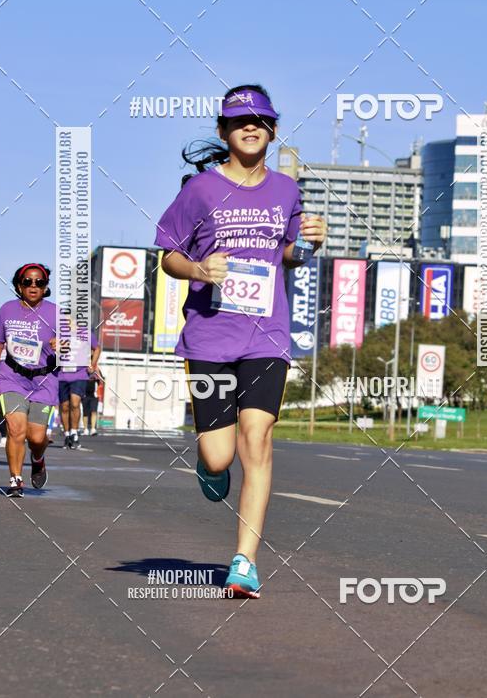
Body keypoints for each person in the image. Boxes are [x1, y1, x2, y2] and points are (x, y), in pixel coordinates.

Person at [155, 84, 326, 597]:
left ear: (272, 130)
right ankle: (210, 466)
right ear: (223, 131)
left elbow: (287, 256)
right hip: (209, 337)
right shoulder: (201, 191)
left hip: (267, 335)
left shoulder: (287, 190)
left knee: (259, 438)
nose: (251, 127)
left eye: (261, 120)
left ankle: (244, 562)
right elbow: (167, 256)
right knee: (217, 456)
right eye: (240, 120)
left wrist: (308, 244)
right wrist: (201, 270)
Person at [0, 264, 59, 497]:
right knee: (16, 429)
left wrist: (63, 348)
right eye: (27, 281)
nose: (33, 286)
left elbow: (74, 351)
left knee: (36, 437)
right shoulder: (7, 310)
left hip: (44, 380)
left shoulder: (56, 313)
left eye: (39, 282)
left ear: (46, 287)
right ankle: (15, 480)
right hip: (12, 377)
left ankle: (38, 457)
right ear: (19, 285)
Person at [58, 328, 100, 448]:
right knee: (65, 406)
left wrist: (93, 364)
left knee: (75, 403)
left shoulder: (85, 333)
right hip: (62, 374)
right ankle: (67, 434)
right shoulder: (59, 332)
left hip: (79, 374)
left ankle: (74, 433)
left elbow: (97, 348)